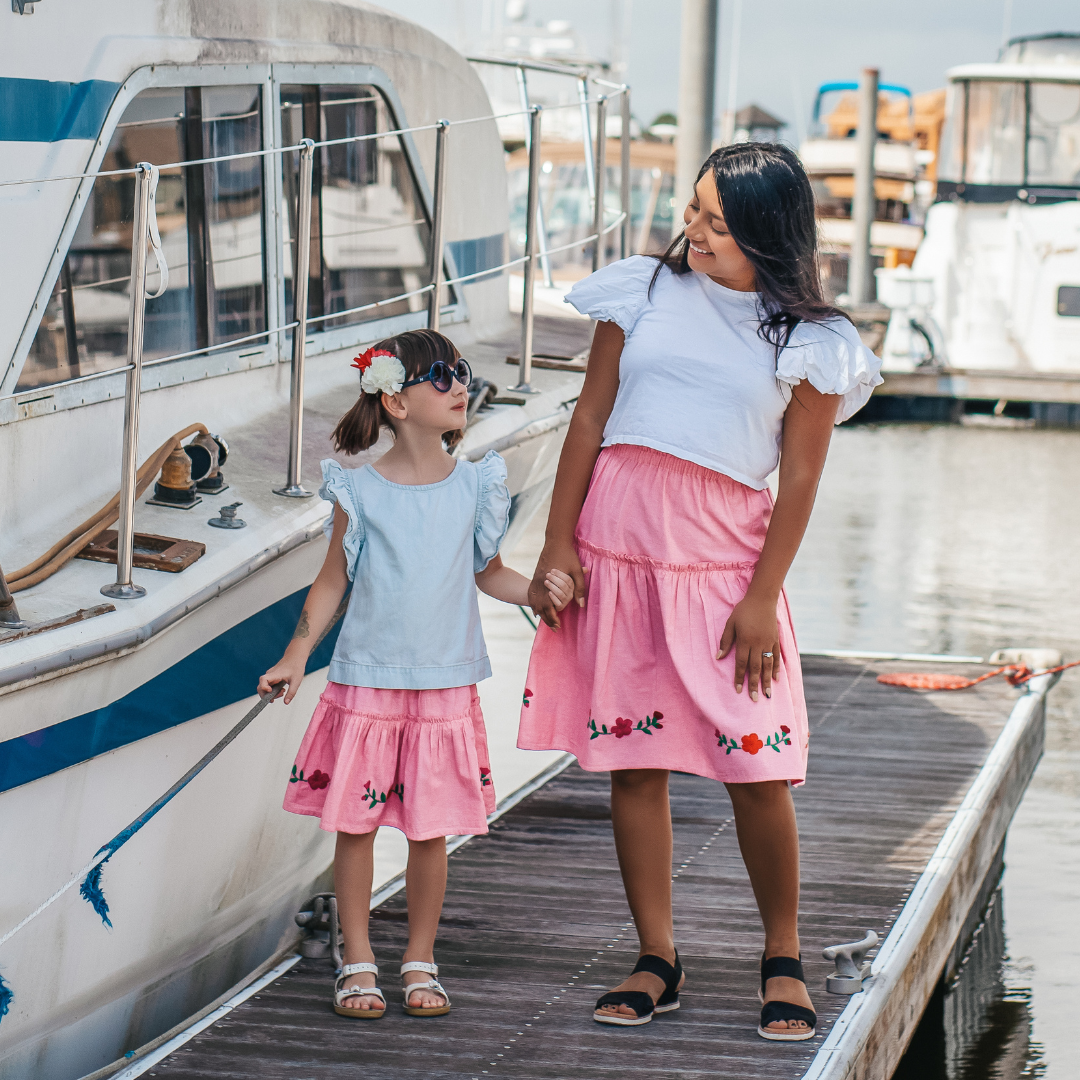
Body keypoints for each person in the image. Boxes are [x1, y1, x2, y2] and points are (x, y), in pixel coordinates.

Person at [518, 143, 882, 1039]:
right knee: (635, 766)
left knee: (757, 769)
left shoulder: (811, 341)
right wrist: (558, 544)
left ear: (767, 231)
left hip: (724, 576)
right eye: (693, 210)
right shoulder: (639, 291)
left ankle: (782, 954)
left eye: (719, 222)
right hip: (616, 555)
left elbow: (798, 482)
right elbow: (591, 419)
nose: (696, 230)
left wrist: (764, 598)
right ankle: (657, 955)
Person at [259, 329, 574, 1020]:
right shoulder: (359, 490)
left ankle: (420, 958)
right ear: (396, 402)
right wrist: (293, 655)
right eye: (441, 376)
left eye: (461, 371)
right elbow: (330, 582)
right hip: (367, 682)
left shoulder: (476, 484)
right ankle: (360, 957)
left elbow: (489, 573)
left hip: (443, 686)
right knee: (357, 825)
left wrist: (540, 595)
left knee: (431, 831)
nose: (461, 384)